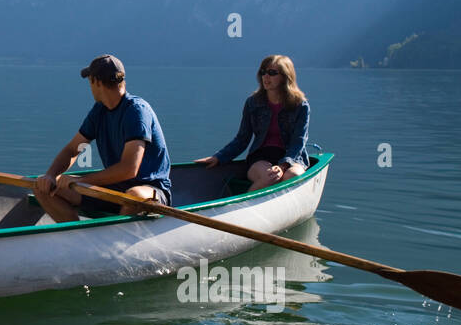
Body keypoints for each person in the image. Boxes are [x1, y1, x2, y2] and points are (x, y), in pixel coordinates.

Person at [33, 54, 172, 222]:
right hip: (113, 189)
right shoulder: (99, 111)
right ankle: (77, 236)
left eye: (89, 81)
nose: (89, 87)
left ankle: (117, 243)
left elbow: (129, 169)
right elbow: (73, 149)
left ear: (97, 82)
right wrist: (50, 175)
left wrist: (82, 180)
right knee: (43, 188)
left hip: (149, 189)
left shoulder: (136, 111)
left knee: (133, 195)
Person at [195, 54, 310, 191]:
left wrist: (283, 166)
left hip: (292, 158)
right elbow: (242, 139)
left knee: (293, 176)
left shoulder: (300, 105)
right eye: (263, 72)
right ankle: (241, 208)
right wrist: (219, 157)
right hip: (260, 157)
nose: (266, 77)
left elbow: (298, 141)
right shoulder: (253, 103)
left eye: (272, 73)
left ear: (285, 77)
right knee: (271, 177)